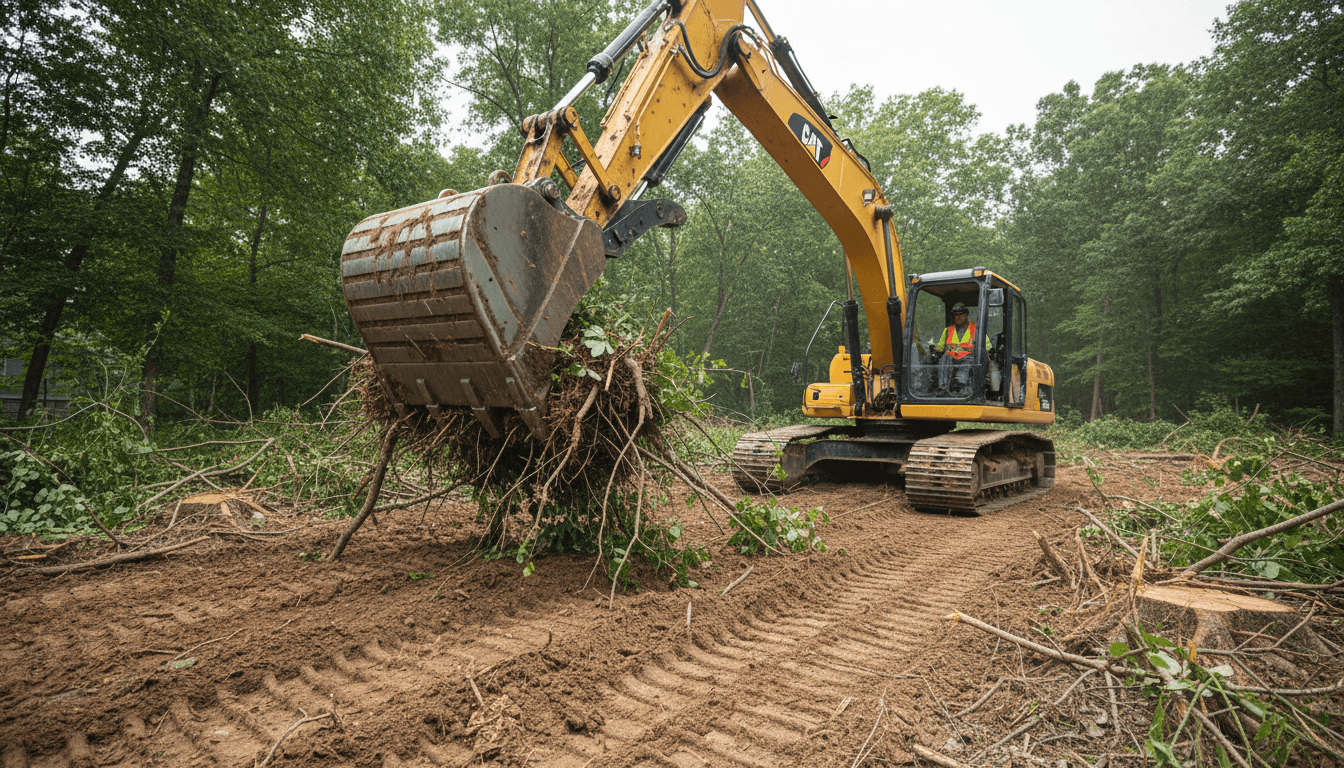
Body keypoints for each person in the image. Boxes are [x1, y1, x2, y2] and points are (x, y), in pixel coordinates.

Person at [933, 302, 989, 395]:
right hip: (950, 361)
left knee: (966, 366)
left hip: (969, 360)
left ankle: (962, 387)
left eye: (960, 314)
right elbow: (940, 348)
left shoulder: (976, 329)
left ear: (966, 314)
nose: (958, 317)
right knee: (945, 357)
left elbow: (986, 349)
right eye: (955, 315)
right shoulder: (948, 331)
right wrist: (932, 348)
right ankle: (943, 388)